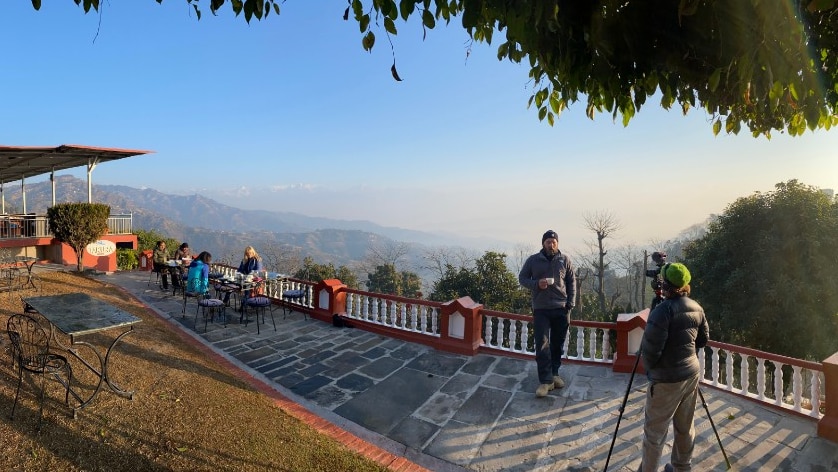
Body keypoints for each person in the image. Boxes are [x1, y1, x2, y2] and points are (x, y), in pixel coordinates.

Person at [638, 262, 709, 472]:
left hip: (666, 380)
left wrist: (653, 372)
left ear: (666, 285)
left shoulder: (662, 311)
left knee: (654, 434)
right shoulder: (697, 307)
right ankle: (682, 467)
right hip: (690, 374)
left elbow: (650, 351)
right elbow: (703, 340)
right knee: (685, 426)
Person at [518, 230, 576, 398]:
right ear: (543, 243)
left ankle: (554, 374)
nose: (551, 245)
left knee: (558, 343)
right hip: (541, 309)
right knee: (542, 345)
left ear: (557, 243)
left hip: (561, 308)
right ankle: (545, 381)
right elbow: (522, 279)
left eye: (554, 242)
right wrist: (537, 284)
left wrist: (570, 303)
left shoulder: (564, 260)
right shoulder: (533, 260)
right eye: (548, 242)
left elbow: (572, 281)